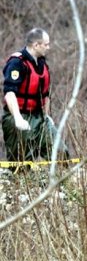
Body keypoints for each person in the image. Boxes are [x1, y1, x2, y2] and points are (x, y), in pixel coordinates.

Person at [2, 28, 63, 164]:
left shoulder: (42, 63)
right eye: (46, 44)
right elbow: (10, 93)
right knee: (21, 161)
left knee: (60, 153)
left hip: (39, 116)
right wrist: (17, 118)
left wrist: (46, 116)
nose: (49, 47)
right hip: (18, 115)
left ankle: (60, 183)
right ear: (36, 45)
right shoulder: (17, 63)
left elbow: (45, 94)